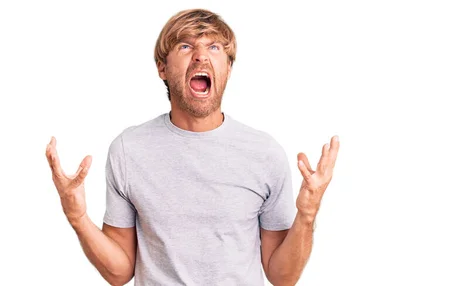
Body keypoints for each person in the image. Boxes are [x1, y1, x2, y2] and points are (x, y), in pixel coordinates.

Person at [44, 8, 340, 286]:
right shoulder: (128, 149)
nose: (201, 57)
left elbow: (282, 276)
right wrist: (77, 217)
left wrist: (307, 214)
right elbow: (120, 271)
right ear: (162, 68)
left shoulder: (265, 153)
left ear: (228, 68)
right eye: (185, 47)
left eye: (214, 48)